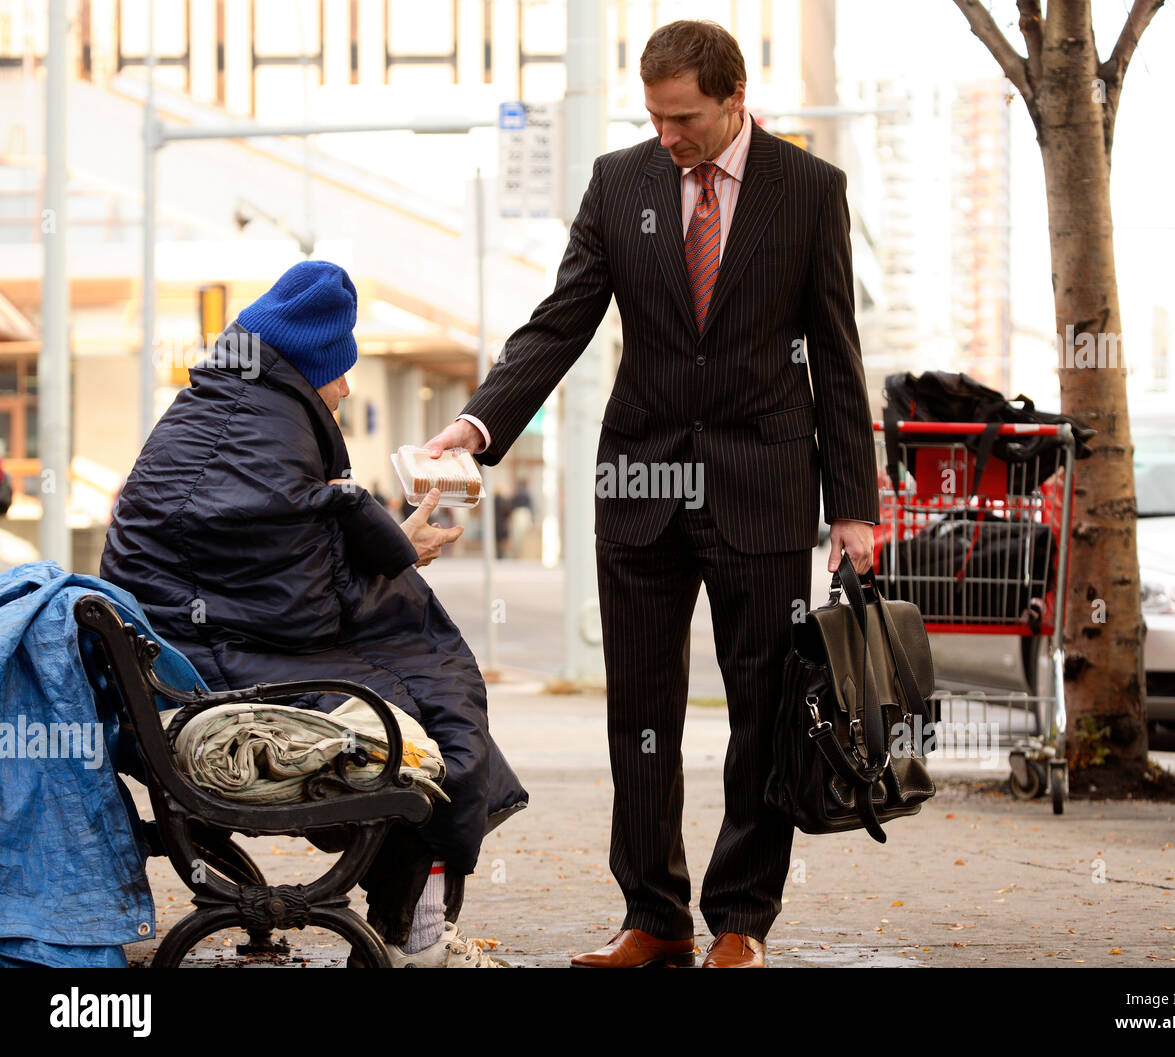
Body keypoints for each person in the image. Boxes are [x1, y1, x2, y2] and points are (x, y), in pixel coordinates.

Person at [425, 20, 879, 968]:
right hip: (641, 480)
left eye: (684, 119)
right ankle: (654, 914)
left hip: (762, 482)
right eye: (655, 117)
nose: (668, 136)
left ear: (733, 101)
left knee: (762, 707)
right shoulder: (620, 181)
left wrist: (855, 509)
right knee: (640, 710)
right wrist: (476, 427)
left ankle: (740, 921)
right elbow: (560, 325)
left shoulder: (809, 191)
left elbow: (837, 357)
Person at [100, 260, 527, 968]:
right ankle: (415, 936)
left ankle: (412, 931)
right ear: (305, 368)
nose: (347, 386)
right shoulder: (268, 434)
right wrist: (397, 553)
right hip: (210, 676)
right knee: (429, 726)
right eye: (338, 371)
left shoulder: (216, 415)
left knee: (428, 705)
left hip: (179, 665)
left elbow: (274, 562)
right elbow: (301, 610)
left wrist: (385, 543)